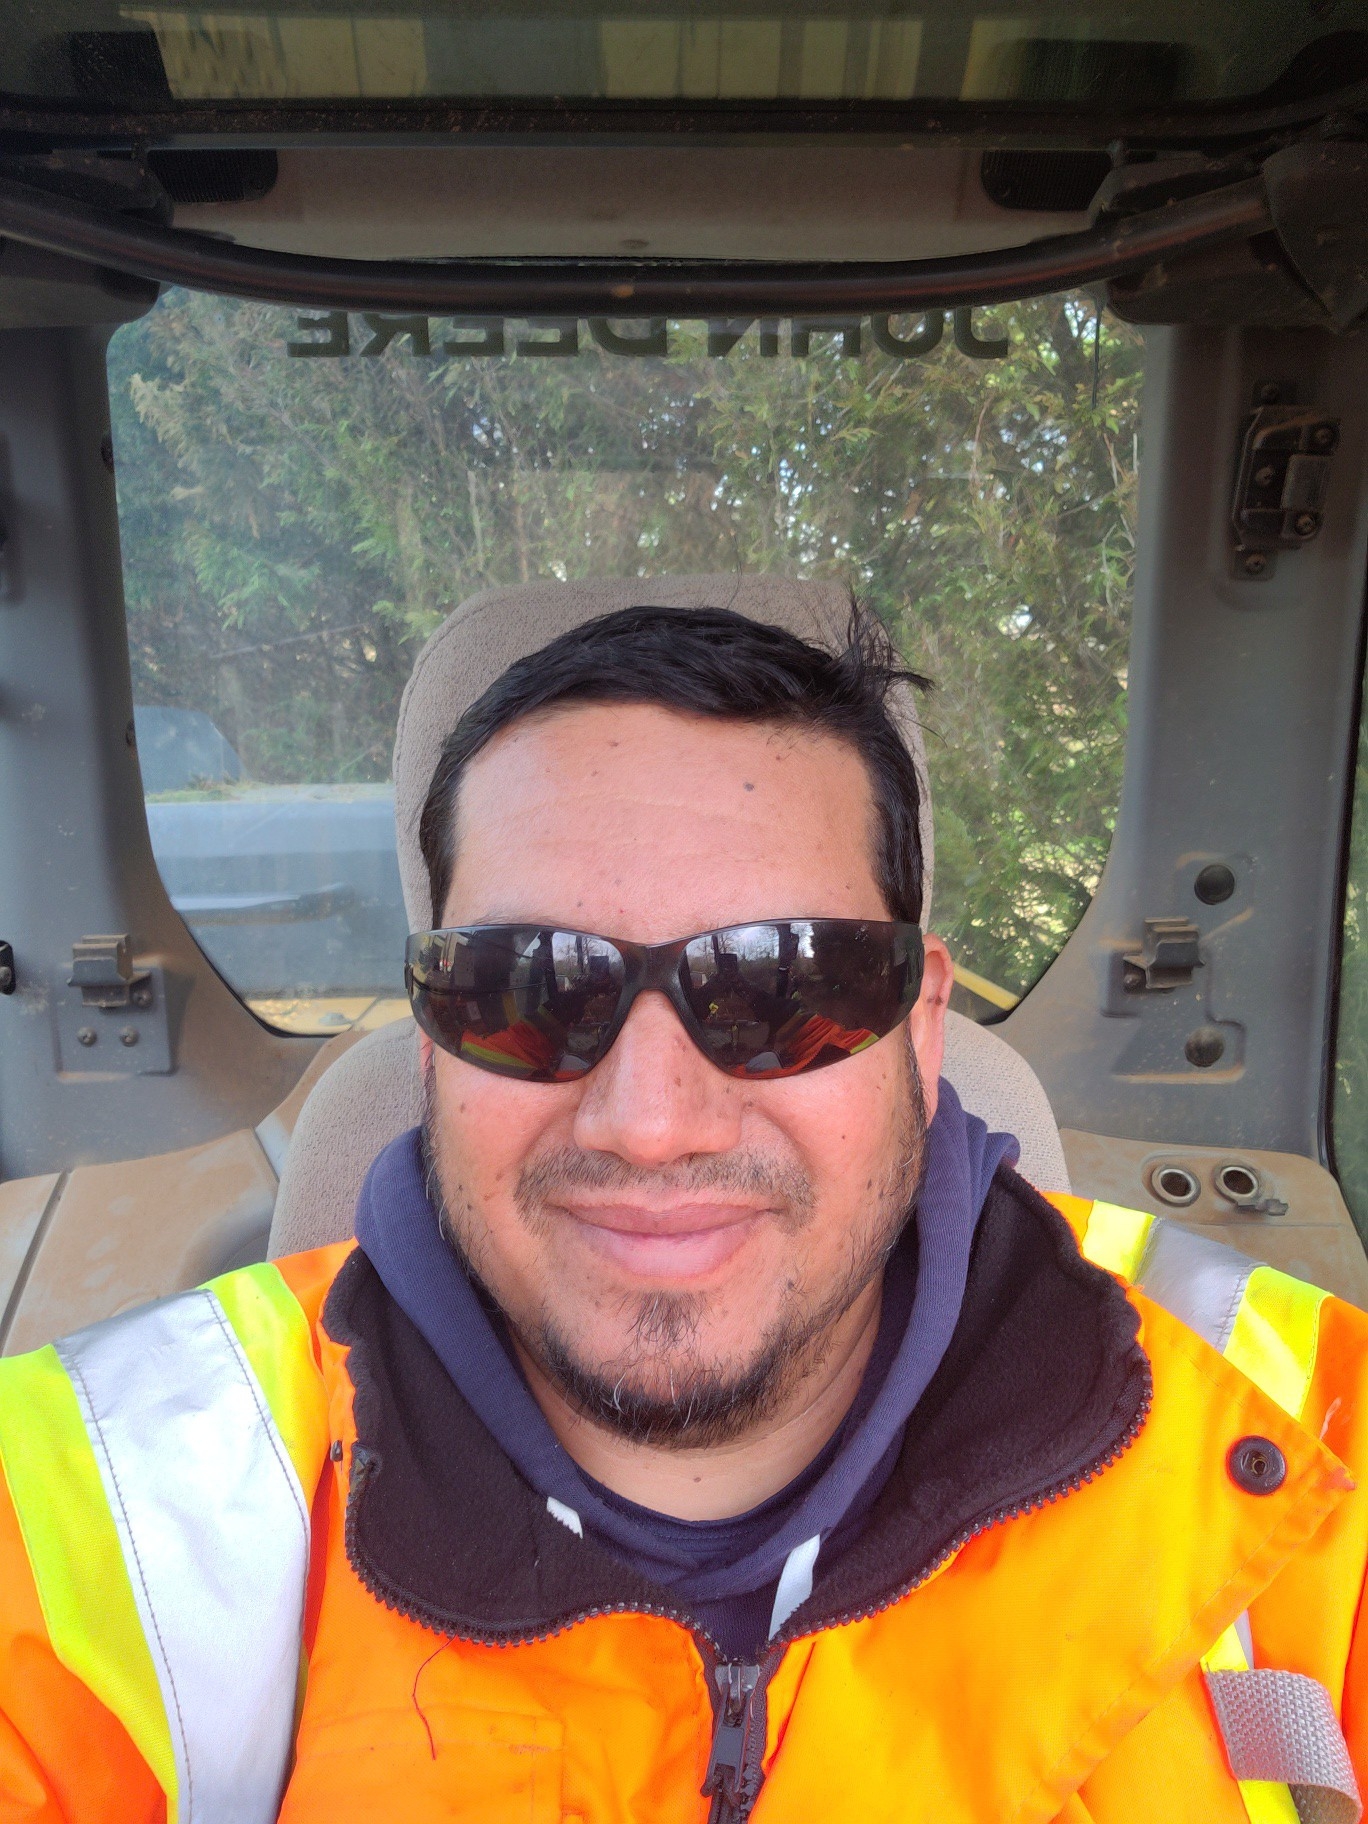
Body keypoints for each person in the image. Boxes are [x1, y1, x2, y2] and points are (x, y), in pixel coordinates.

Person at [1, 604, 1365, 1824]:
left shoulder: (1312, 1451)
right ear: (432, 1040)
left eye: (784, 984)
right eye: (528, 988)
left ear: (922, 1024)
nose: (650, 1123)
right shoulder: (111, 1515)